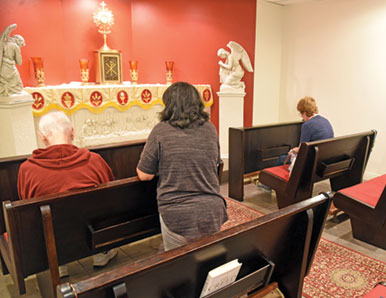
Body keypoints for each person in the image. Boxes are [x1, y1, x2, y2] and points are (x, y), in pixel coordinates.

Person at [17, 111, 117, 275]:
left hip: (53, 238)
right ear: (72, 131)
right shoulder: (95, 160)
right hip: (92, 231)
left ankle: (59, 262)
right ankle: (101, 253)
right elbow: (110, 195)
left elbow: (27, 206)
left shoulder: (27, 170)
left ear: (42, 137)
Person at [136, 82, 228, 251]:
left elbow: (144, 175)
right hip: (211, 210)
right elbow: (215, 161)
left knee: (179, 266)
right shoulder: (210, 128)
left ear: (169, 105)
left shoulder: (161, 131)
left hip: (177, 213)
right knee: (207, 261)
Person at [0, 23, 25, 97]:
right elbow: (19, 62)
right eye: (21, 44)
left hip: (3, 67)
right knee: (19, 86)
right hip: (10, 68)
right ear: (18, 40)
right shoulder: (15, 46)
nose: (20, 45)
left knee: (3, 81)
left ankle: (4, 91)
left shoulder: (4, 43)